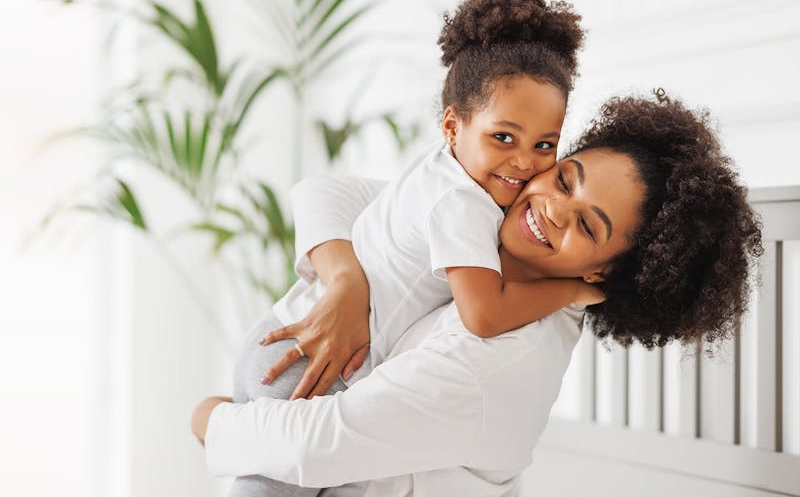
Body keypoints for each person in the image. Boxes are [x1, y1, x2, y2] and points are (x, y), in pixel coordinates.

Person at [192, 91, 763, 496]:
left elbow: (318, 445)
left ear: (604, 276)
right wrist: (347, 279)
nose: (551, 208)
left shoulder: (503, 362)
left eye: (588, 227)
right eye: (564, 177)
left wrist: (211, 418)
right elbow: (329, 193)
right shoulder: (484, 220)